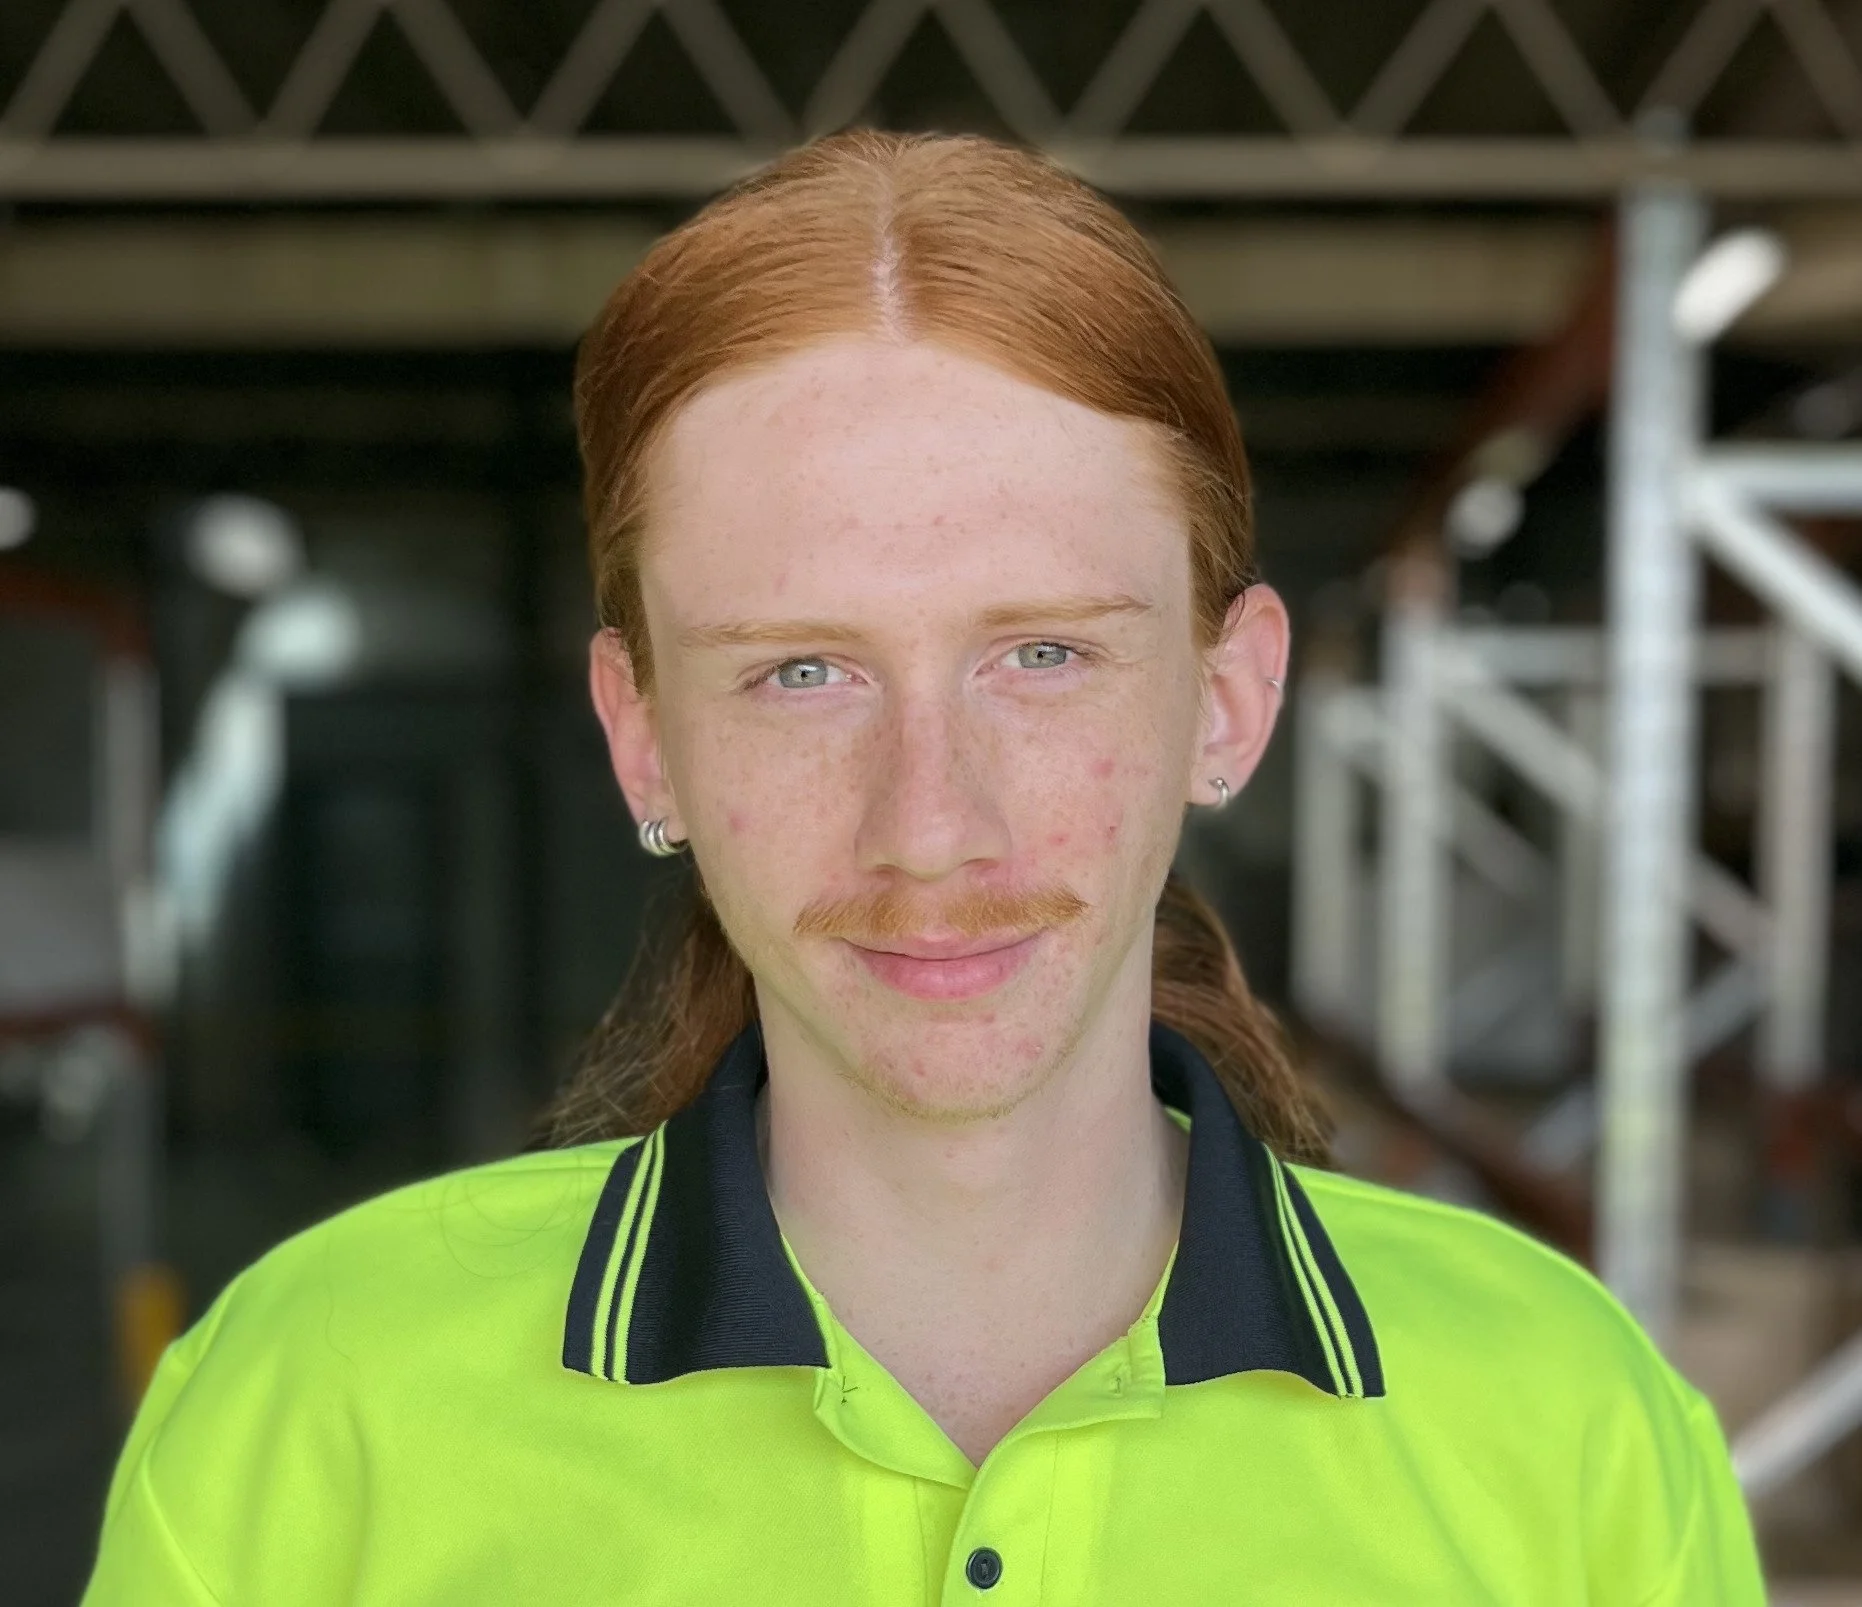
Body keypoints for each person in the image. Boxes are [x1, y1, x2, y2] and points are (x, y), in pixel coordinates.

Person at [84, 129, 1765, 1605]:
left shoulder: (1569, 1418)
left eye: (1041, 655)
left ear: (1227, 700)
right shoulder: (321, 1397)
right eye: (799, 671)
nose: (930, 826)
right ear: (644, 733)